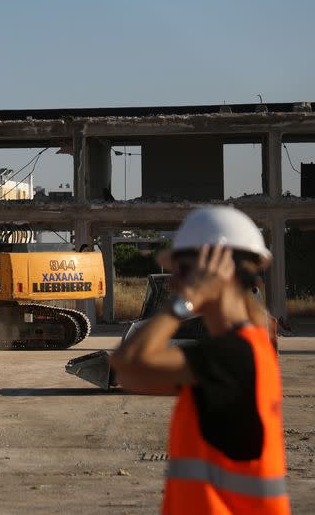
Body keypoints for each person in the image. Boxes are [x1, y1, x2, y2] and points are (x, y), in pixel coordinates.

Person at [110, 206, 289, 514]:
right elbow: (130, 376)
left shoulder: (235, 356)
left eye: (181, 270)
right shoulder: (244, 348)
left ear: (214, 270)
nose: (173, 284)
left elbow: (130, 361)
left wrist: (184, 302)